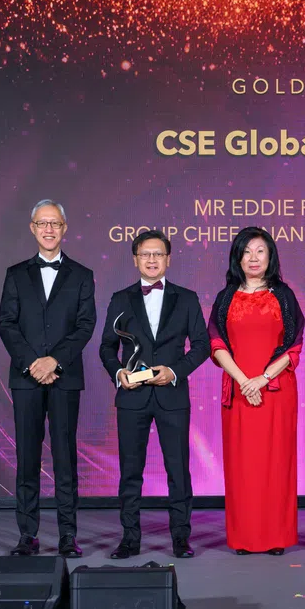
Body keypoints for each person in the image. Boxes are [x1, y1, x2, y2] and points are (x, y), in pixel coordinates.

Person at [98, 230, 210, 559]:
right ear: (135, 259)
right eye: (145, 254)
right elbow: (106, 347)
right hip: (132, 396)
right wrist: (119, 373)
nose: (151, 260)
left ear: (168, 259)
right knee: (130, 471)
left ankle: (181, 538)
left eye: (158, 254)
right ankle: (129, 539)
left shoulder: (186, 298)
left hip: (172, 396)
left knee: (178, 470)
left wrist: (174, 372)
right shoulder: (121, 298)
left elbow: (202, 346)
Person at [0, 199, 96, 557]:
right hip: (26, 379)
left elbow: (85, 325)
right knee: (27, 456)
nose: (49, 229)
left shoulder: (82, 275)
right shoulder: (15, 274)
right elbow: (6, 324)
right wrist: (33, 364)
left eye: (55, 223)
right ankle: (28, 534)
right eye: (43, 223)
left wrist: (54, 361)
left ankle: (68, 534)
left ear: (64, 228)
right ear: (33, 228)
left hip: (64, 378)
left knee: (65, 457)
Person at [208, 227, 303, 555]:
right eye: (246, 251)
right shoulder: (225, 297)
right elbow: (216, 343)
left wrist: (261, 379)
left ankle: (276, 537)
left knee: (276, 464)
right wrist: (243, 381)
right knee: (242, 466)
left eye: (260, 251)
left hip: (275, 391)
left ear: (270, 256)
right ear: (237, 257)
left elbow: (294, 345)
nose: (253, 258)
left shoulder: (284, 295)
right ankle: (244, 538)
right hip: (238, 392)